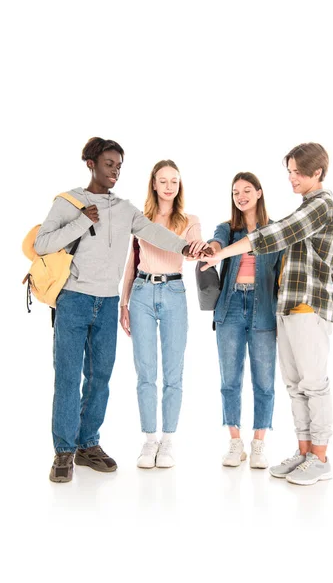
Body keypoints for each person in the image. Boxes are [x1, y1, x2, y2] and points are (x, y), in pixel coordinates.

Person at [35, 138, 196, 483]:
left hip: (107, 303)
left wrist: (187, 248)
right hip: (73, 301)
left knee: (100, 378)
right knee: (67, 377)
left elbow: (153, 232)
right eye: (109, 164)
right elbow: (41, 244)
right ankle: (63, 452)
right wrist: (81, 221)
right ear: (91, 164)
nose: (115, 172)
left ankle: (88, 444)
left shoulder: (125, 209)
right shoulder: (68, 202)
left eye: (119, 166)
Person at [200, 143, 333, 485]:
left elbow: (272, 236)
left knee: (313, 384)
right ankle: (304, 452)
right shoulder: (304, 206)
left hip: (310, 306)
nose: (291, 178)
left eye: (297, 171)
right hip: (287, 308)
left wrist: (221, 256)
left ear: (316, 172)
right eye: (289, 171)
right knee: (294, 386)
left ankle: (320, 458)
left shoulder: (321, 205)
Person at [120, 160, 210, 469]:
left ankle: (168, 440)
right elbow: (132, 262)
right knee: (145, 373)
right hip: (142, 294)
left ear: (179, 185)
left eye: (174, 180)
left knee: (173, 373)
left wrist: (198, 245)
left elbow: (195, 241)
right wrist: (124, 303)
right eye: (163, 180)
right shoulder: (140, 219)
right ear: (154, 184)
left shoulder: (189, 219)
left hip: (173, 293)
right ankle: (149, 441)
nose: (169, 185)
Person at [207, 173, 282, 468]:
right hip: (231, 306)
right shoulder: (227, 228)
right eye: (236, 191)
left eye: (247, 190)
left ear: (259, 193)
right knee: (230, 380)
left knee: (264, 381)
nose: (241, 196)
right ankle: (235, 442)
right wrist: (212, 250)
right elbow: (217, 243)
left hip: (264, 307)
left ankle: (259, 443)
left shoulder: (275, 230)